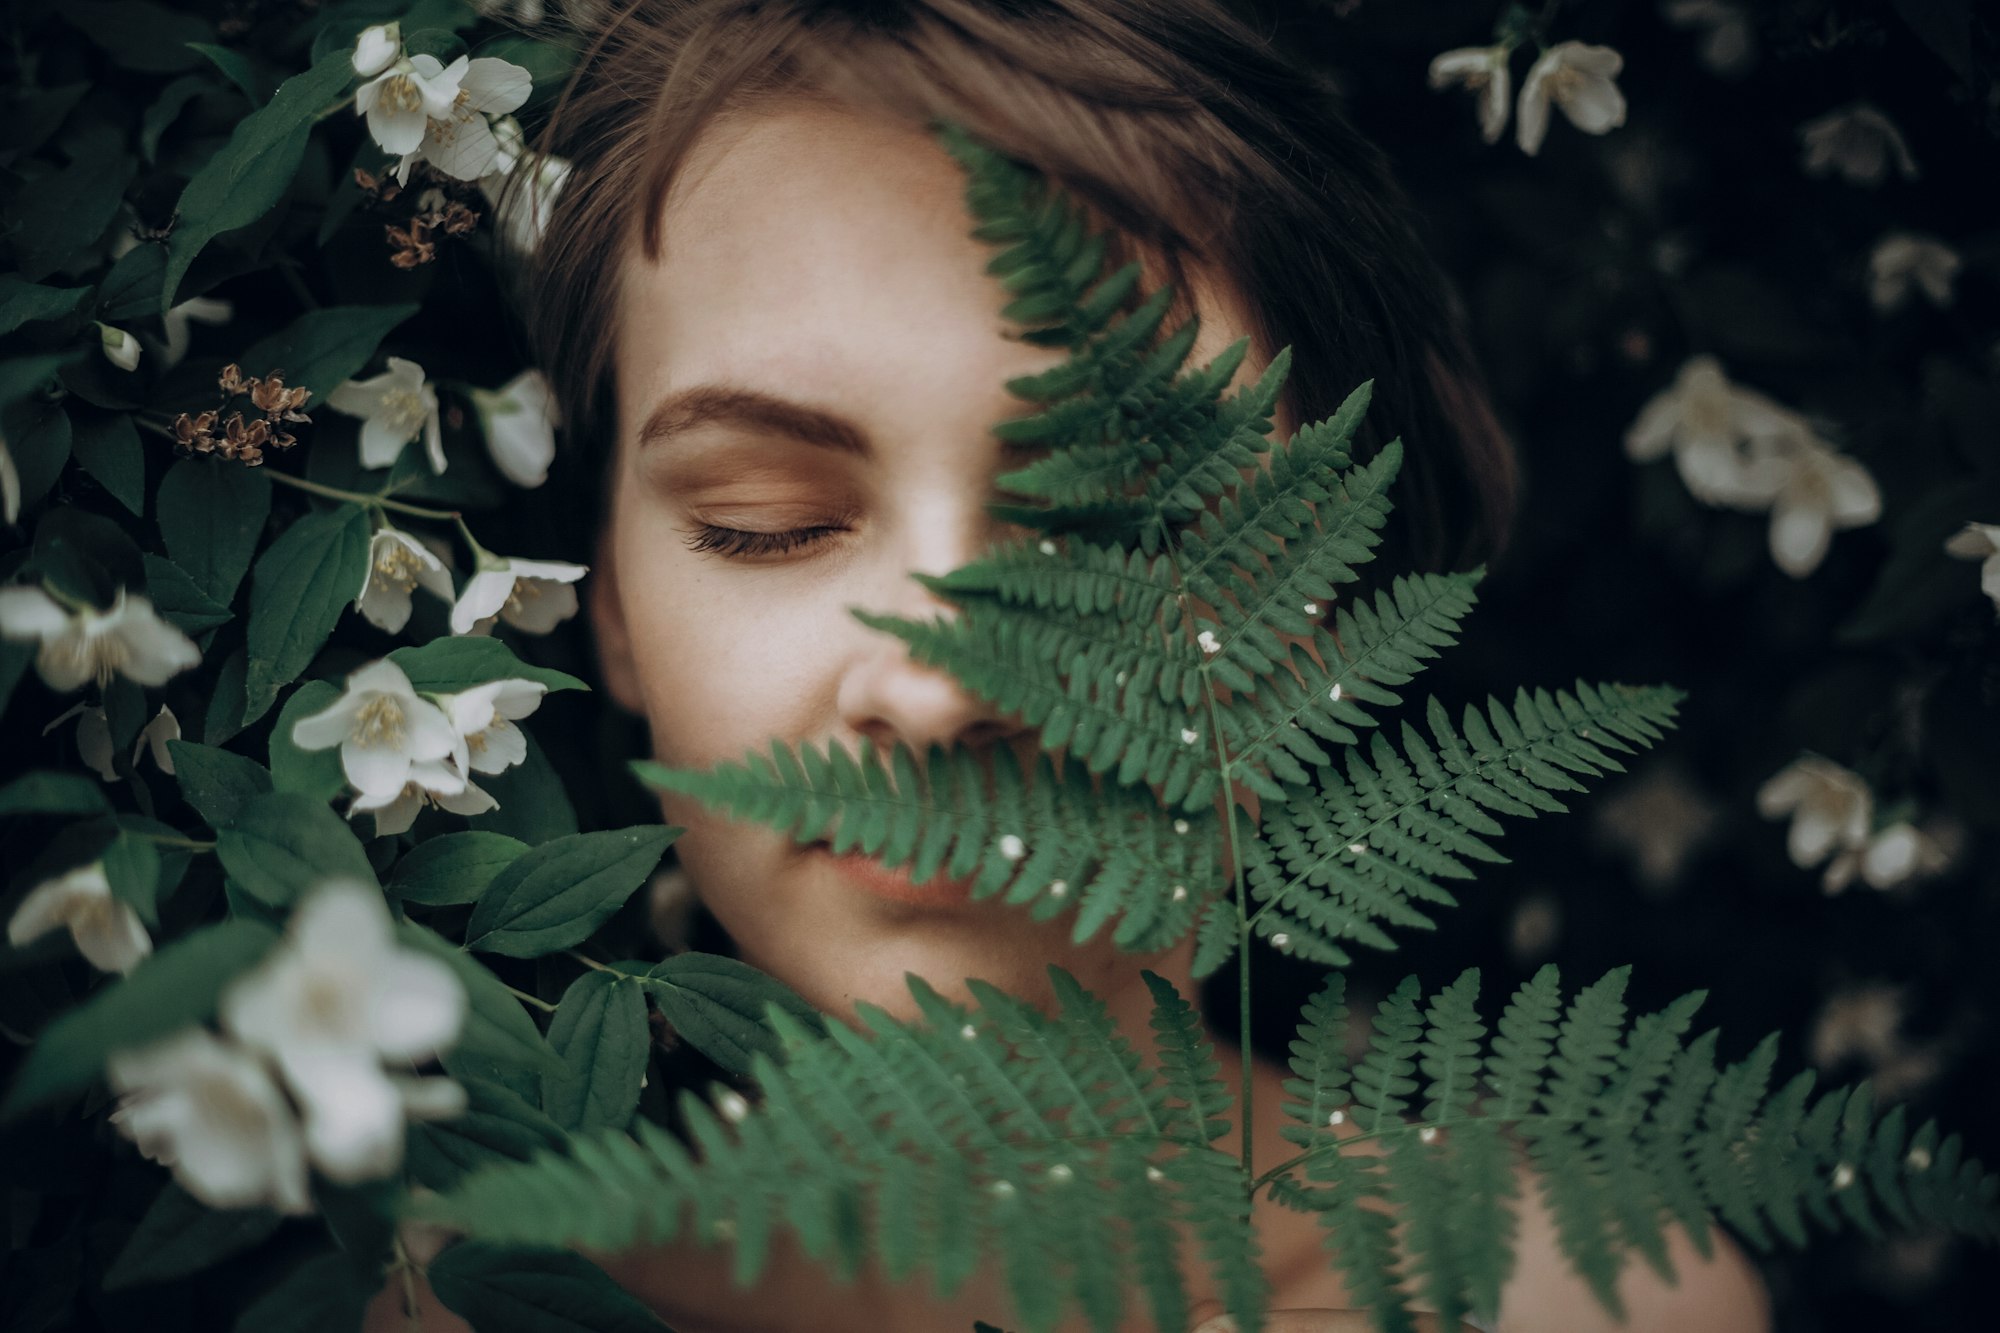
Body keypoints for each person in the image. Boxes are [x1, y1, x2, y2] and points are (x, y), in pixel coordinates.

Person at [369, 2, 1770, 1329]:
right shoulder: (383, 1285)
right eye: (768, 526)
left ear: (1328, 615)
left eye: (1111, 532)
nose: (936, 684)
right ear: (609, 598)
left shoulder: (1587, 1295)